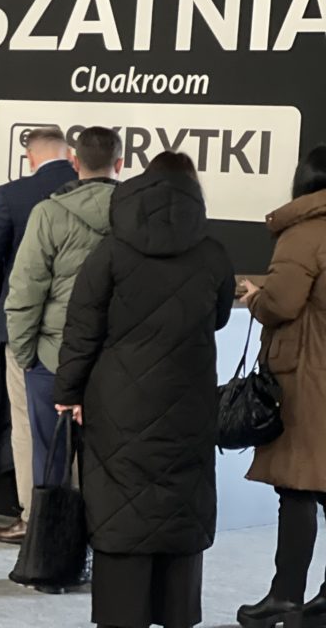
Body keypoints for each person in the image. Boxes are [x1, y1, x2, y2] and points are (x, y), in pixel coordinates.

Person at [55, 151, 235, 628]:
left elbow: (82, 329)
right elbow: (218, 318)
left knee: (121, 503)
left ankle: (121, 615)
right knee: (181, 503)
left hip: (117, 401)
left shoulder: (110, 252)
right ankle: (176, 612)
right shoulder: (213, 252)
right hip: (190, 397)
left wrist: (68, 391)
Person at [6, 127, 122, 512]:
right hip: (114, 360)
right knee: (107, 462)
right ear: (120, 163)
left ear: (74, 162)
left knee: (48, 459)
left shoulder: (48, 213)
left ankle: (49, 541)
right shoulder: (135, 216)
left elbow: (25, 291)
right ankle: (100, 542)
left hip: (52, 356)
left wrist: (25, 354)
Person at [236, 145, 326, 628]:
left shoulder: (305, 232)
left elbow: (281, 304)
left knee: (296, 488)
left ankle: (285, 597)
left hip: (309, 377)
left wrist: (255, 298)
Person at [0, 127, 76, 544]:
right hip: (84, 331)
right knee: (82, 426)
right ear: (69, 154)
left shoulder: (13, 194)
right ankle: (78, 519)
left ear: (30, 157)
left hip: (27, 330)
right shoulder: (92, 192)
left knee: (28, 426)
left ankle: (33, 517)